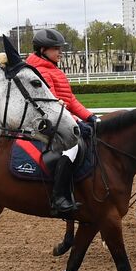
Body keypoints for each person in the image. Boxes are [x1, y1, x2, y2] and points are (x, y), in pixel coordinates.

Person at [25, 28, 96, 216]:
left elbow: (70, 100)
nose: (60, 52)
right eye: (55, 48)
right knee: (72, 148)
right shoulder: (41, 72)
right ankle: (59, 198)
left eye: (59, 48)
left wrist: (90, 117)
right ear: (42, 50)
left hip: (61, 120)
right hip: (47, 123)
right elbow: (53, 104)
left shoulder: (54, 70)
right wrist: (76, 123)